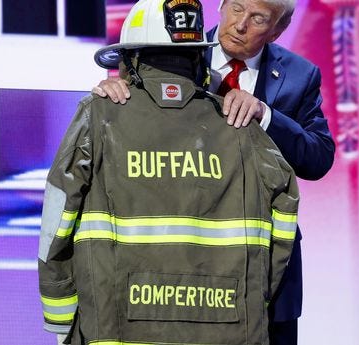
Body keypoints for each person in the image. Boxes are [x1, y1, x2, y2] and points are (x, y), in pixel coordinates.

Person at [38, 0, 300, 344]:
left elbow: (57, 218)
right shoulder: (241, 124)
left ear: (130, 58)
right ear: (198, 59)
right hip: (228, 325)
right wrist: (256, 296)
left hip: (115, 327)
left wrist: (61, 318)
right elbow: (286, 210)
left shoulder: (99, 116)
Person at [92, 1, 336, 344]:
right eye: (236, 8)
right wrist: (110, 91)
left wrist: (266, 115)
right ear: (220, 7)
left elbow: (319, 157)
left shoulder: (299, 75)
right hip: (183, 265)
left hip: (267, 269)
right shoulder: (171, 51)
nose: (240, 25)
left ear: (277, 30)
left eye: (258, 19)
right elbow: (133, 117)